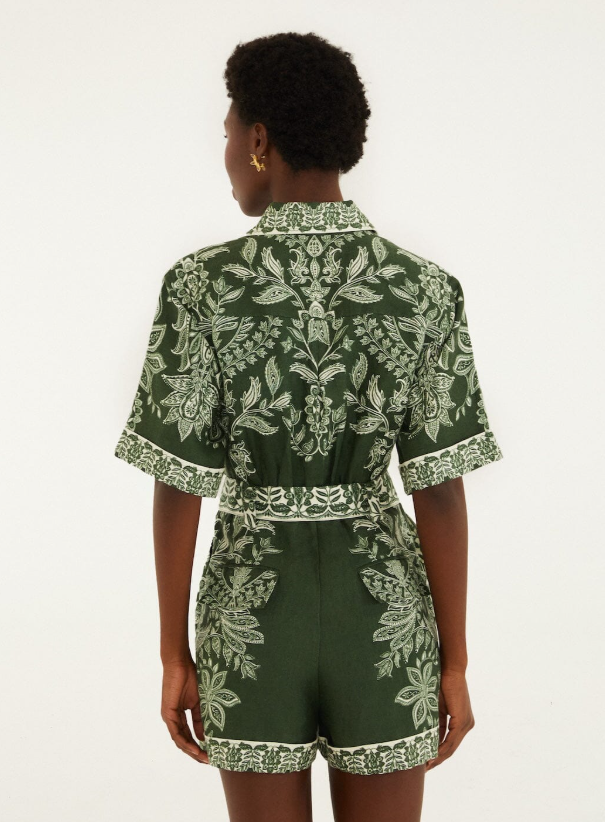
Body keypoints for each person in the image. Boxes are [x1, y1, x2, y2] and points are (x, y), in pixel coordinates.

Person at [114, 30, 504, 822]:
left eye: (229, 132)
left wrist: (172, 653)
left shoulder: (199, 287)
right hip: (381, 610)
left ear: (259, 140)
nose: (227, 153)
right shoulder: (424, 290)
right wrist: (455, 662)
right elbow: (438, 490)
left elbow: (178, 486)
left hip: (250, 611)